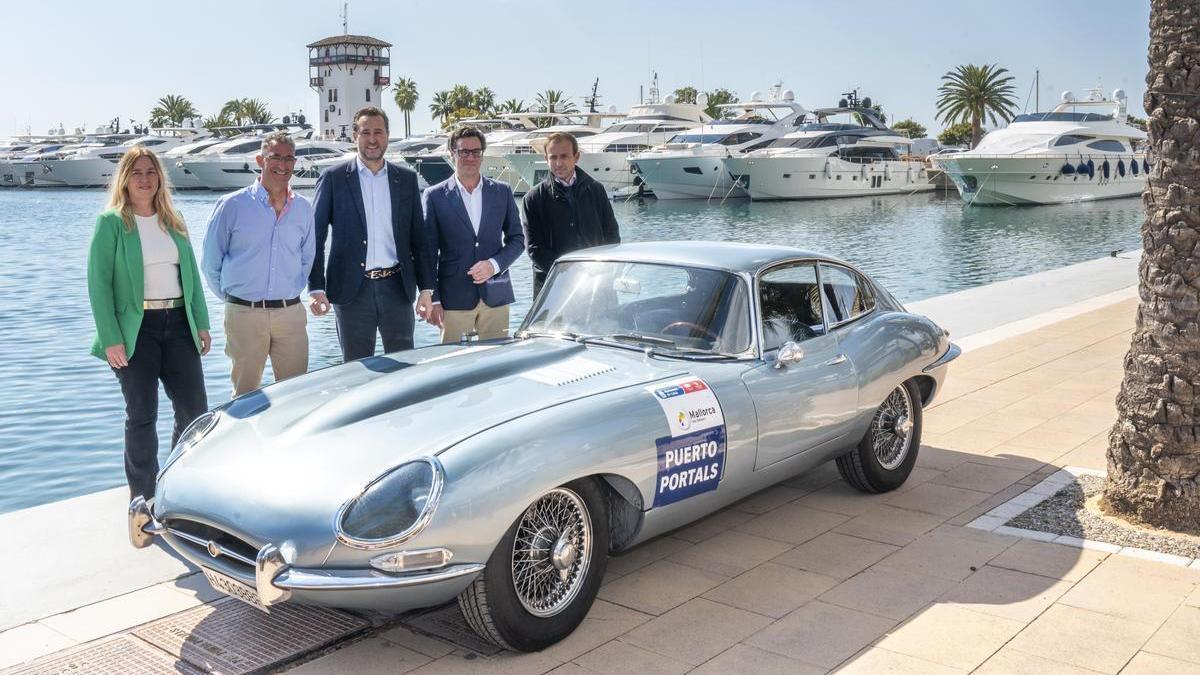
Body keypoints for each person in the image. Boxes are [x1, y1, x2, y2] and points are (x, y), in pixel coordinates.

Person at [87, 147, 211, 501]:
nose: (145, 179)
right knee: (142, 415)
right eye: (137, 172)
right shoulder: (111, 223)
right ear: (125, 180)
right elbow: (98, 285)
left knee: (194, 411)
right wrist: (111, 338)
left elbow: (191, 278)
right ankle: (144, 498)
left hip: (178, 326)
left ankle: (177, 487)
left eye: (151, 172)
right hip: (135, 331)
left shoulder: (173, 220)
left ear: (160, 178)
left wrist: (200, 323)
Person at [309, 106, 434, 361]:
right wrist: (316, 287)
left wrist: (427, 289)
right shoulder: (333, 179)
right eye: (366, 132)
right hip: (351, 292)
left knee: (403, 369)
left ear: (388, 135)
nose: (373, 139)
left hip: (397, 290)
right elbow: (316, 236)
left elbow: (419, 240)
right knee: (356, 371)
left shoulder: (407, 180)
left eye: (378, 132)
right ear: (355, 135)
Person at [201, 131, 315, 396]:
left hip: (290, 314)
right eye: (275, 157)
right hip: (244, 314)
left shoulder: (304, 209)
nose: (283, 165)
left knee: (296, 395)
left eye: (289, 159)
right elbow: (210, 262)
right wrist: (235, 299)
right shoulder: (232, 205)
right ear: (260, 160)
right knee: (245, 395)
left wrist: (289, 292)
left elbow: (307, 258)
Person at [417, 126, 525, 342]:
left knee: (496, 364)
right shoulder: (434, 196)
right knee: (453, 366)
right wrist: (434, 298)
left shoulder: (502, 191)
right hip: (453, 299)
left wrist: (494, 265)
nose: (470, 157)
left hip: (496, 295)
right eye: (463, 152)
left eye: (476, 152)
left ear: (482, 155)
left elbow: (518, 240)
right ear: (452, 154)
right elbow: (427, 253)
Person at [521, 132, 621, 296]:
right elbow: (535, 249)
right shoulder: (533, 199)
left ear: (576, 157)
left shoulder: (596, 190)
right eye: (553, 157)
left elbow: (612, 235)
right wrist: (568, 272)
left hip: (598, 284)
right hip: (554, 289)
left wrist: (601, 268)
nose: (558, 163)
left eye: (564, 156)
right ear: (546, 159)